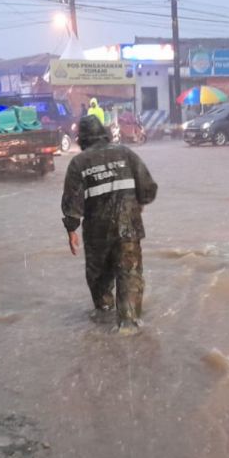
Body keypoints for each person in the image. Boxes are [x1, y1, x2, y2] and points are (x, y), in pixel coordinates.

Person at [61, 116, 158, 335]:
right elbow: (148, 187)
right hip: (129, 229)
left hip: (97, 234)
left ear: (82, 139)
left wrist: (71, 229)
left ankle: (103, 317)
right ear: (105, 133)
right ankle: (129, 326)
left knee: (99, 279)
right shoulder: (126, 154)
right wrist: (140, 203)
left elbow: (71, 203)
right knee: (130, 275)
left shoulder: (78, 163)